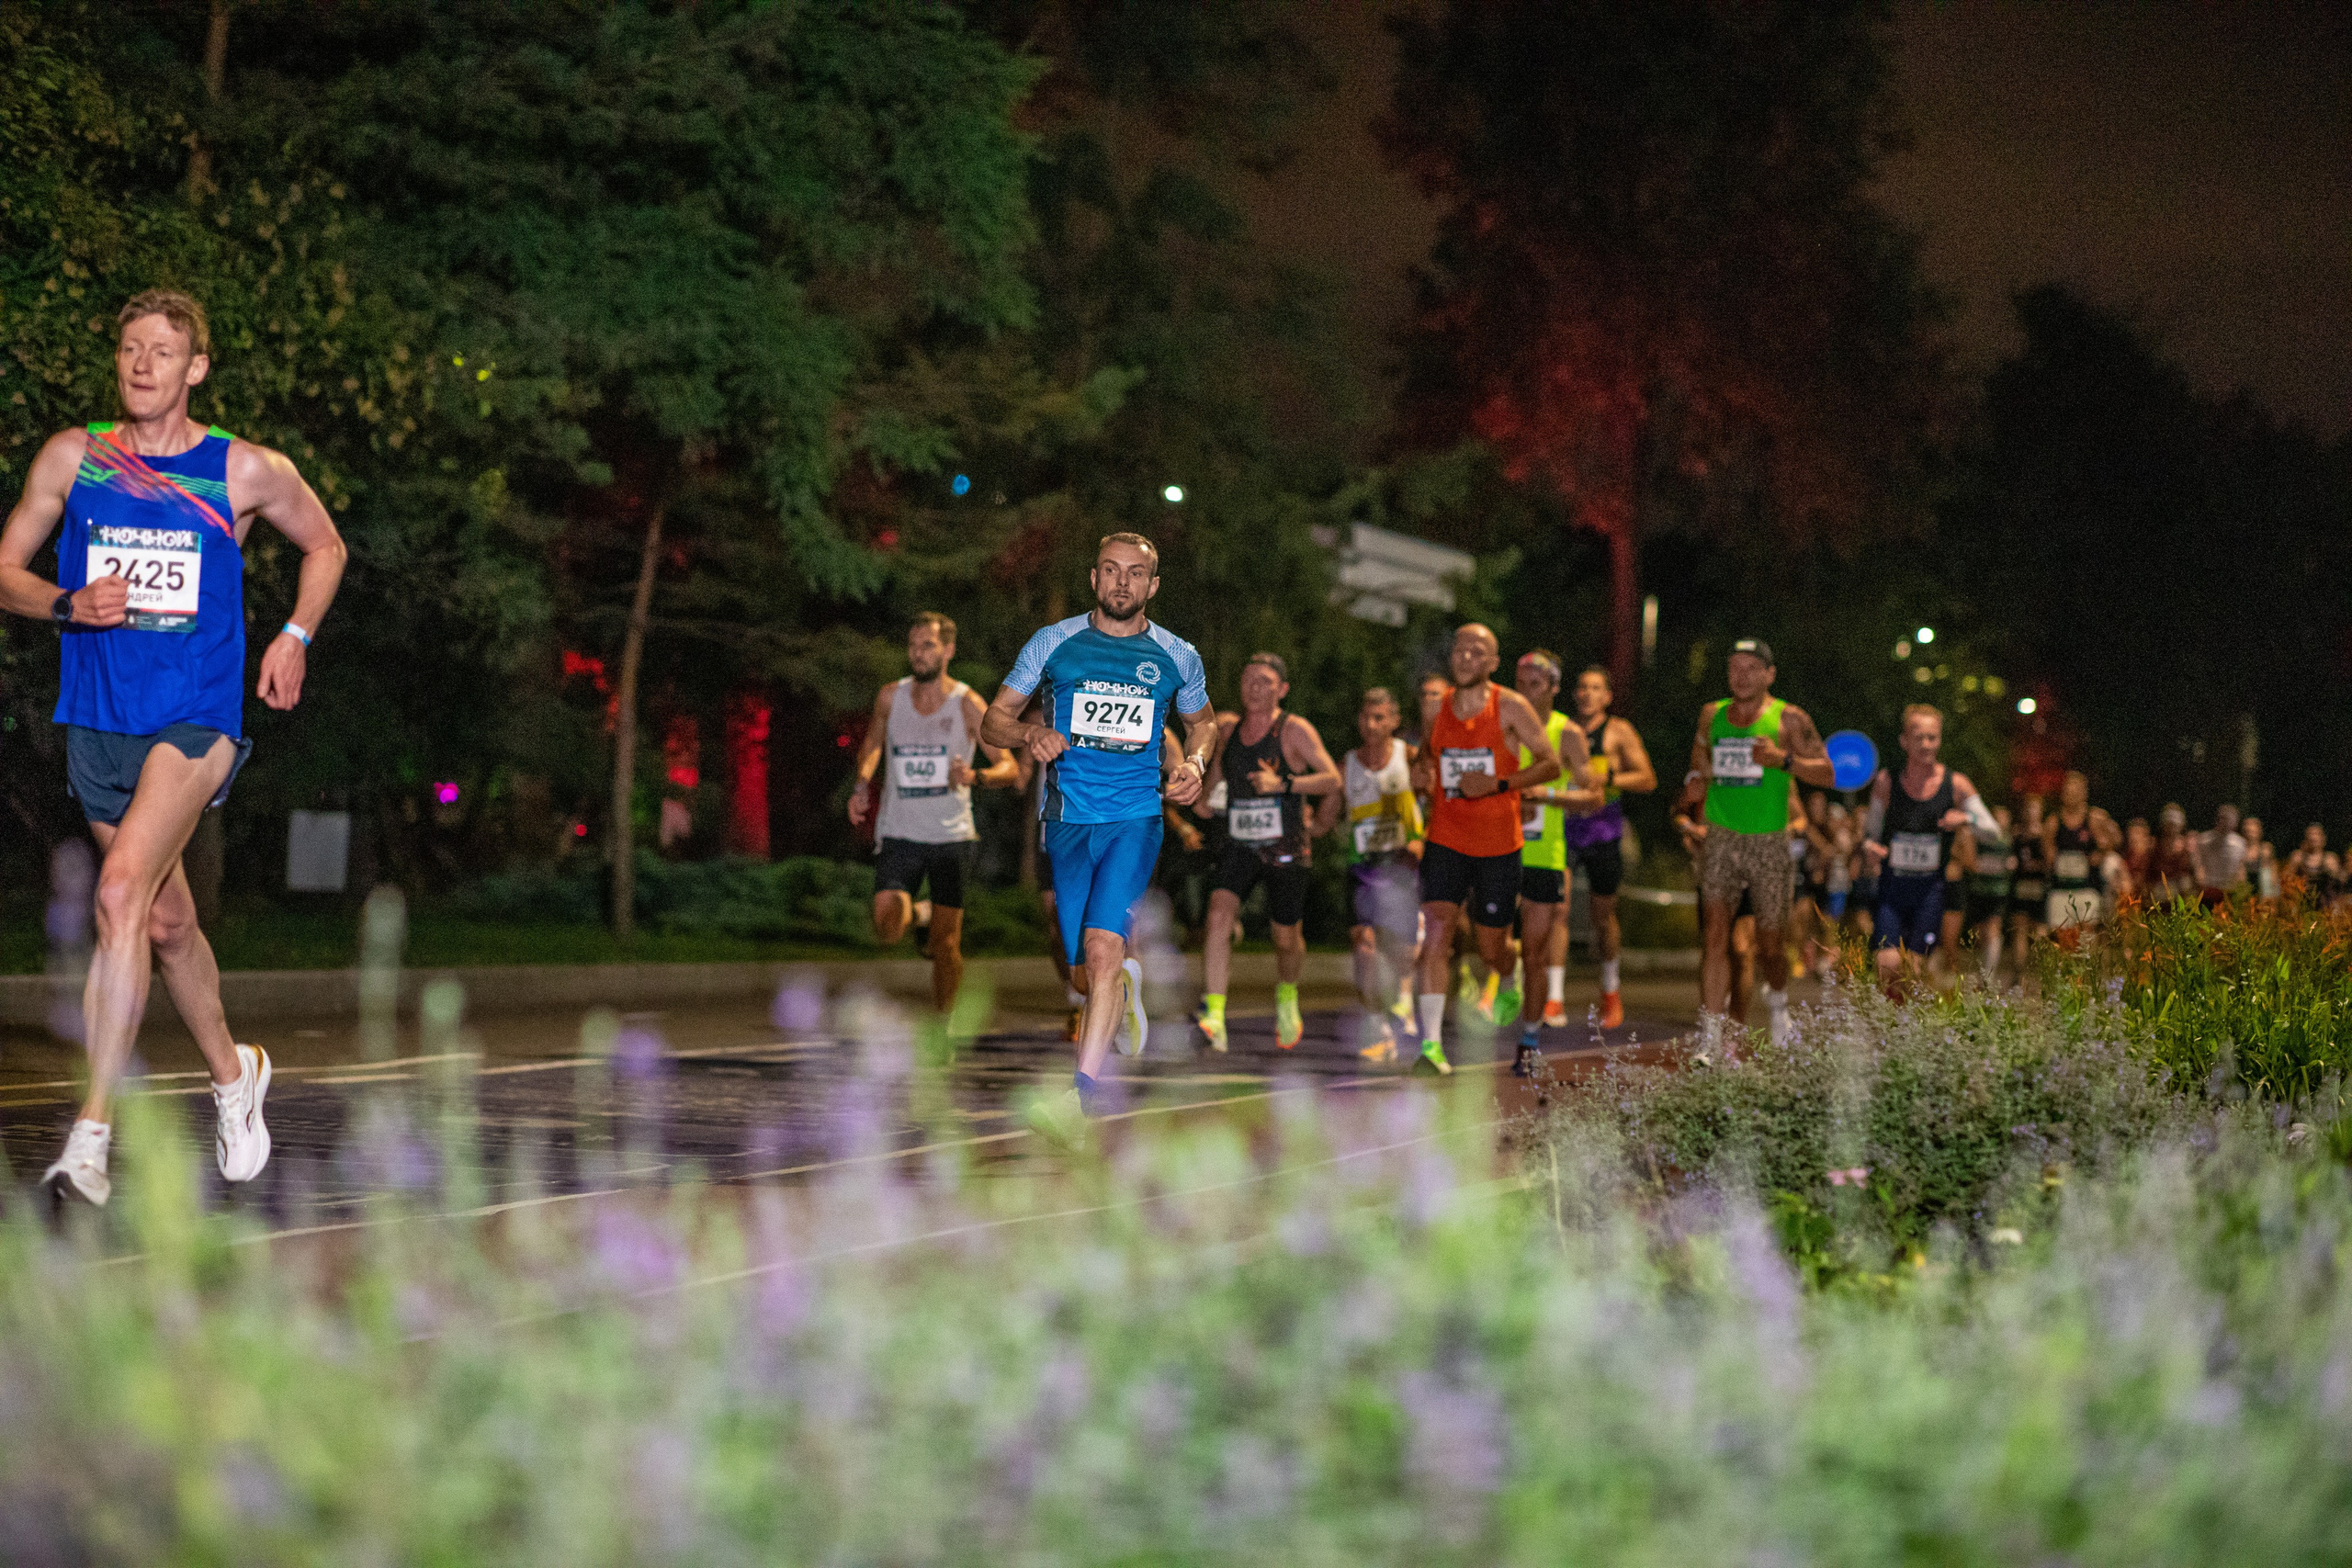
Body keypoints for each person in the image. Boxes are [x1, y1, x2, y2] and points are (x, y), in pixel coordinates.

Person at [0, 289, 346, 1208]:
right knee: (164, 922)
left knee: (117, 895)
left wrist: (294, 637)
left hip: (196, 721)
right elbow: (6, 573)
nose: (143, 364)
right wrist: (66, 604)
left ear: (196, 368)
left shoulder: (244, 470)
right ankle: (235, 1075)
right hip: (100, 723)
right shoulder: (76, 459)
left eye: (163, 351)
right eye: (129, 349)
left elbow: (326, 547)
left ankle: (92, 1134)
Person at [983, 533, 1215, 1147]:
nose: (1121, 583)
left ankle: (1078, 1098)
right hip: (1066, 822)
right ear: (1093, 577)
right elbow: (993, 719)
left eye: (1135, 574)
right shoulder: (1053, 642)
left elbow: (1203, 721)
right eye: (1110, 571)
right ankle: (1122, 987)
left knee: (1104, 952)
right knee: (1086, 971)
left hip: (1135, 819)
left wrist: (1193, 765)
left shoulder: (1175, 654)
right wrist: (1029, 732)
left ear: (1153, 585)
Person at [847, 613, 1018, 1012]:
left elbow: (1008, 767)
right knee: (887, 925)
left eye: (928, 646)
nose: (918, 654)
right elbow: (872, 743)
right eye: (913, 645)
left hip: (952, 837)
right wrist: (861, 784)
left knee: (945, 944)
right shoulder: (891, 696)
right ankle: (920, 911)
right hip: (900, 830)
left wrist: (974, 775)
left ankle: (944, 1028)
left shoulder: (968, 705)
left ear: (949, 651)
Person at [1410, 624, 1561, 1076]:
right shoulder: (1436, 710)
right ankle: (1432, 1047)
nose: (1466, 657)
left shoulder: (1510, 706)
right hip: (1445, 840)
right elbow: (1427, 759)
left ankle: (1507, 974)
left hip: (1498, 846)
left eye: (1477, 651)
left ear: (1493, 663)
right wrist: (1422, 778)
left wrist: (1496, 784)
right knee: (1436, 935)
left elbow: (1550, 763)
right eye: (1460, 649)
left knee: (1490, 945)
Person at [1672, 639, 1837, 1045]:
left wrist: (1783, 761)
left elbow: (1829, 775)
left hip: (1769, 840)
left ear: (1769, 674)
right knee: (1715, 934)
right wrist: (1695, 786)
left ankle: (1778, 1003)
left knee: (1769, 943)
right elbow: (1700, 766)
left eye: (1751, 668)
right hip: (1722, 836)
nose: (1741, 676)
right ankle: (1710, 1036)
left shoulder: (1790, 719)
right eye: (1734, 668)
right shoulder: (1712, 715)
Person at [1193, 654, 1342, 1053]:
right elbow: (1219, 773)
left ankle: (1288, 995)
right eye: (1248, 680)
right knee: (1219, 913)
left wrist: (1286, 784)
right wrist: (1205, 798)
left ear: (1282, 689)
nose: (1255, 688)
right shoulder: (1229, 731)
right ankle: (1215, 1015)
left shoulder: (1293, 730)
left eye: (1264, 681)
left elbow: (1332, 778)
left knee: (1285, 937)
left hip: (1286, 847)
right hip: (1240, 844)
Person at [1320, 687, 1425, 1064]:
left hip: (1402, 868)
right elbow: (1327, 815)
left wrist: (1422, 840)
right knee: (1364, 945)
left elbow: (1440, 800)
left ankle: (1402, 994)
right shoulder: (1347, 763)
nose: (1371, 724)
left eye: (1380, 718)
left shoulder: (1408, 756)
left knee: (1401, 954)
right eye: (1366, 717)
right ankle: (1377, 1025)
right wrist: (1303, 826)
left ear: (1394, 721)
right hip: (1362, 869)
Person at [1503, 650, 1594, 1070]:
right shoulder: (1500, 722)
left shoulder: (1567, 733)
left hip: (1543, 857)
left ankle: (1529, 1040)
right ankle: (1501, 980)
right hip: (1496, 851)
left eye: (1536, 683)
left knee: (1534, 954)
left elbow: (1593, 797)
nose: (1525, 689)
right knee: (1490, 942)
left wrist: (1549, 795)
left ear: (1555, 687)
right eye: (1521, 681)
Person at [1860, 705, 1985, 996]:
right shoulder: (1886, 781)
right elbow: (1870, 833)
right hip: (1892, 889)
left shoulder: (1956, 784)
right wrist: (1870, 848)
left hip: (1930, 892)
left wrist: (1967, 818)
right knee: (1886, 964)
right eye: (1919, 737)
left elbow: (1992, 829)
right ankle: (1896, 1027)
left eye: (1933, 737)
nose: (1926, 744)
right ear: (1904, 740)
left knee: (1912, 969)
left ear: (1940, 739)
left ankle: (1905, 1030)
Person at [1558, 664, 1656, 1029]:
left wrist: (1610, 777)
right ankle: (1553, 996)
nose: (1587, 693)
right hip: (1565, 828)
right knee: (1557, 908)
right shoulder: (1563, 730)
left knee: (1602, 917)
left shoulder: (1618, 732)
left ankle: (1610, 991)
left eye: (1596, 688)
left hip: (1603, 832)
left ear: (1607, 697)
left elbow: (1648, 778)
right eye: (1582, 687)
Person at [1957, 802, 2016, 982]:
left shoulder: (2009, 841)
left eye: (2004, 819)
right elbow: (1971, 861)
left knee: (1993, 929)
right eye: (1996, 819)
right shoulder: (1980, 838)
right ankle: (1984, 968)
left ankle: (1989, 977)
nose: (2000, 823)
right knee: (1981, 933)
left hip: (1998, 892)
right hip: (1979, 891)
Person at [2042, 772, 2108, 935]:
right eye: (2067, 791)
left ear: (2083, 793)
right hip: (2061, 890)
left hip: (2086, 889)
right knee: (2062, 940)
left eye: (2075, 792)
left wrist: (2101, 852)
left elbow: (2114, 841)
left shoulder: (2094, 818)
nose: (2070, 795)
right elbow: (2047, 853)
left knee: (2086, 939)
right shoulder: (2053, 821)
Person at [2008, 794, 2050, 958]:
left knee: (2040, 928)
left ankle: (2041, 969)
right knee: (2020, 928)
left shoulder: (2045, 833)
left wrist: (2039, 865)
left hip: (2039, 885)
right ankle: (2019, 972)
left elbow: (2050, 861)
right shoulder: (2017, 833)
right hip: (2021, 885)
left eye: (2035, 808)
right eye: (2029, 808)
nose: (2032, 812)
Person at [2192, 804, 2249, 908]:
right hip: (2209, 889)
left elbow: (2241, 867)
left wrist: (2241, 888)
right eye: (2223, 818)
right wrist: (2200, 879)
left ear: (2235, 822)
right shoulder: (2204, 840)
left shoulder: (2240, 843)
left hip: (2229, 890)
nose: (2226, 822)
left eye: (2230, 819)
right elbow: (2198, 863)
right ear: (2218, 819)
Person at [2147, 804, 2199, 904]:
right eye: (2169, 824)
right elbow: (2149, 873)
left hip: (2182, 892)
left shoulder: (2188, 846)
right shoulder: (2154, 846)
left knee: (2186, 883)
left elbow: (2195, 872)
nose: (2171, 828)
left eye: (2174, 824)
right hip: (2159, 892)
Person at [2285, 824, 2340, 908]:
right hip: (2302, 903)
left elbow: (2340, 884)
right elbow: (2286, 880)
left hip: (2326, 904)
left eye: (2317, 834)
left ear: (2323, 839)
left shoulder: (2330, 859)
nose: (2313, 837)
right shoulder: (2297, 857)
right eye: (2310, 834)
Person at [2242, 815, 2279, 900]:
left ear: (2259, 831)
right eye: (2247, 831)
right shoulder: (2239, 849)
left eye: (2252, 831)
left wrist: (2273, 894)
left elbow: (2273, 873)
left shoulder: (2266, 848)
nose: (2250, 834)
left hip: (2263, 890)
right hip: (2245, 889)